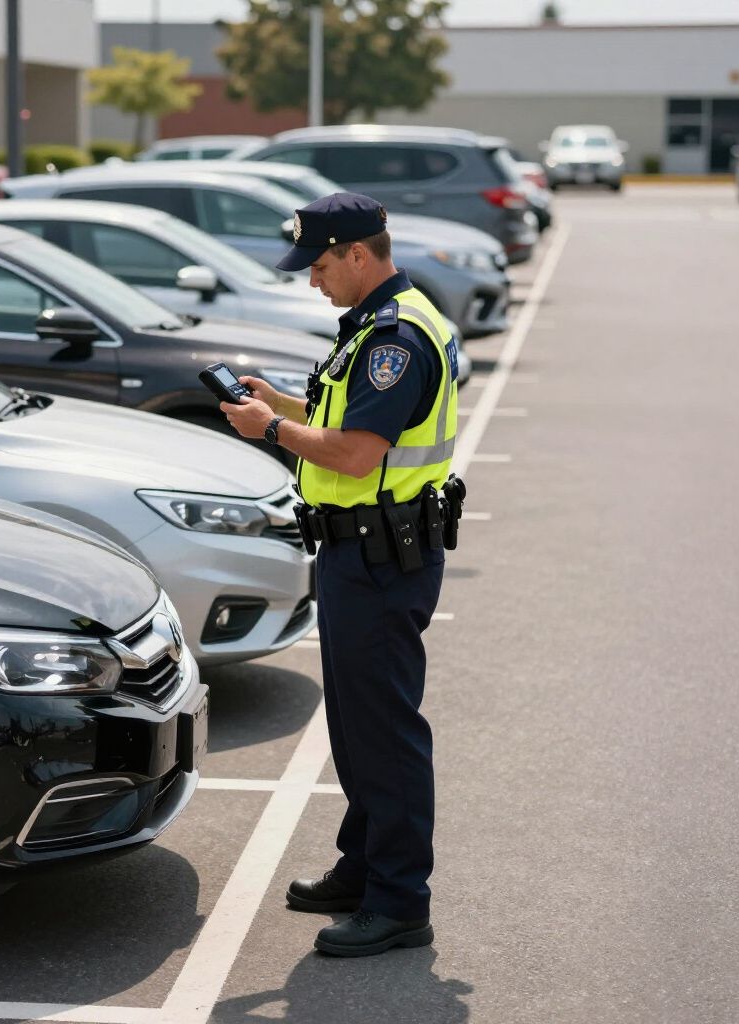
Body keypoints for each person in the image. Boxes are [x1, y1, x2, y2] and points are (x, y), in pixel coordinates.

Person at [220, 192, 461, 958]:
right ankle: (365, 868)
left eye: (320, 264)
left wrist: (274, 431)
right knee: (358, 728)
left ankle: (398, 902)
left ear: (360, 254)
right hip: (362, 552)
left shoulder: (397, 339)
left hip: (382, 558)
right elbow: (353, 419)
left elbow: (357, 454)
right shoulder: (381, 323)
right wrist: (279, 402)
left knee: (384, 732)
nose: (312, 279)